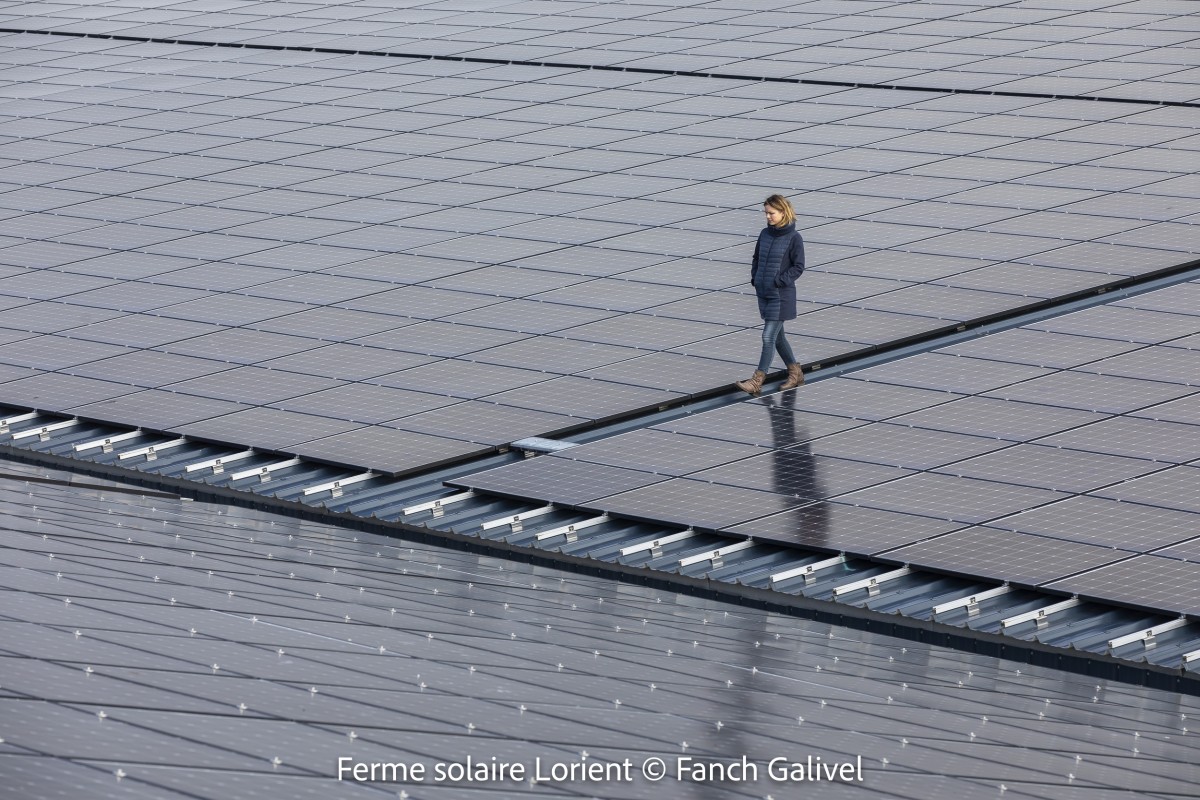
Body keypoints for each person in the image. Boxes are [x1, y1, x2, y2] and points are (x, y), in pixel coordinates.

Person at [736, 194, 805, 394]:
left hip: (781, 296)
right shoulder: (765, 234)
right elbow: (756, 258)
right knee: (778, 337)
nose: (768, 217)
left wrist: (778, 281)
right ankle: (795, 373)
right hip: (764, 293)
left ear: (783, 212)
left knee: (768, 337)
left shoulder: (794, 238)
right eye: (766, 213)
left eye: (771, 213)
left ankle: (756, 380)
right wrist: (756, 278)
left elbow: (798, 267)